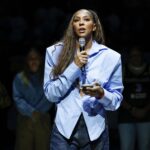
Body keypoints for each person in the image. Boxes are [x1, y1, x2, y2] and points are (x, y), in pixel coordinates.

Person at [43, 9, 123, 150]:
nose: (81, 23)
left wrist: (101, 94)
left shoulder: (111, 57)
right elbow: (50, 94)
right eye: (76, 20)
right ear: (72, 26)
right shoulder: (55, 52)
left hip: (95, 129)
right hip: (63, 129)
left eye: (86, 19)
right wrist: (74, 66)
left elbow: (116, 101)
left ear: (94, 26)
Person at [12, 46, 53, 150]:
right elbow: (17, 98)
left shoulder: (48, 77)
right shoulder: (19, 78)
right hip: (25, 119)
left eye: (36, 58)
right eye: (31, 59)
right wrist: (31, 112)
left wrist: (38, 112)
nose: (34, 61)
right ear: (26, 61)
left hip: (42, 119)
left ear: (40, 60)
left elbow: (50, 96)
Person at [118, 45, 150, 150]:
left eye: (138, 55)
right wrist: (132, 109)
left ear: (142, 56)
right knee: (126, 147)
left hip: (146, 116)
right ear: (129, 57)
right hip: (126, 116)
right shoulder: (123, 70)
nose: (135, 58)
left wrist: (145, 109)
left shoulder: (148, 69)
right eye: (133, 56)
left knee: (145, 146)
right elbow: (116, 94)